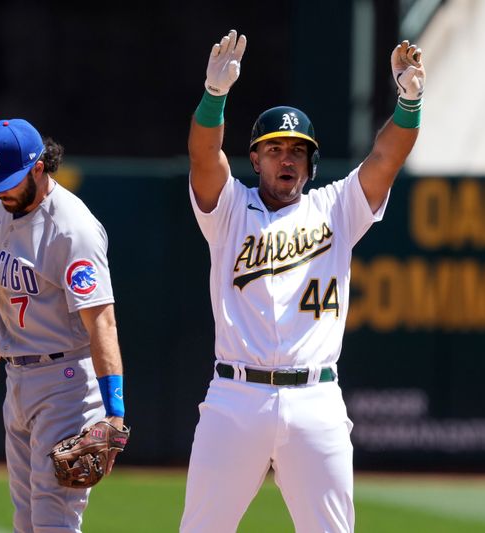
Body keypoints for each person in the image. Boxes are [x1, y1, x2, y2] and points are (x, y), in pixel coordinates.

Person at [181, 30, 425, 532]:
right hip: (235, 396)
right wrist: (214, 98)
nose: (286, 158)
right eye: (274, 149)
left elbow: (385, 158)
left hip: (315, 400)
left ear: (311, 162)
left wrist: (409, 103)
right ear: (255, 159)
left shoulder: (336, 206)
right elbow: (205, 157)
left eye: (297, 150)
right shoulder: (229, 210)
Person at [0, 118, 127, 533]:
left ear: (39, 167)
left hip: (65, 384)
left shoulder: (72, 230)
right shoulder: (2, 210)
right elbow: (22, 292)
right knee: (26, 522)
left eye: (11, 179)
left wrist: (115, 413)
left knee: (54, 521)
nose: (2, 190)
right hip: (17, 381)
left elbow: (102, 321)